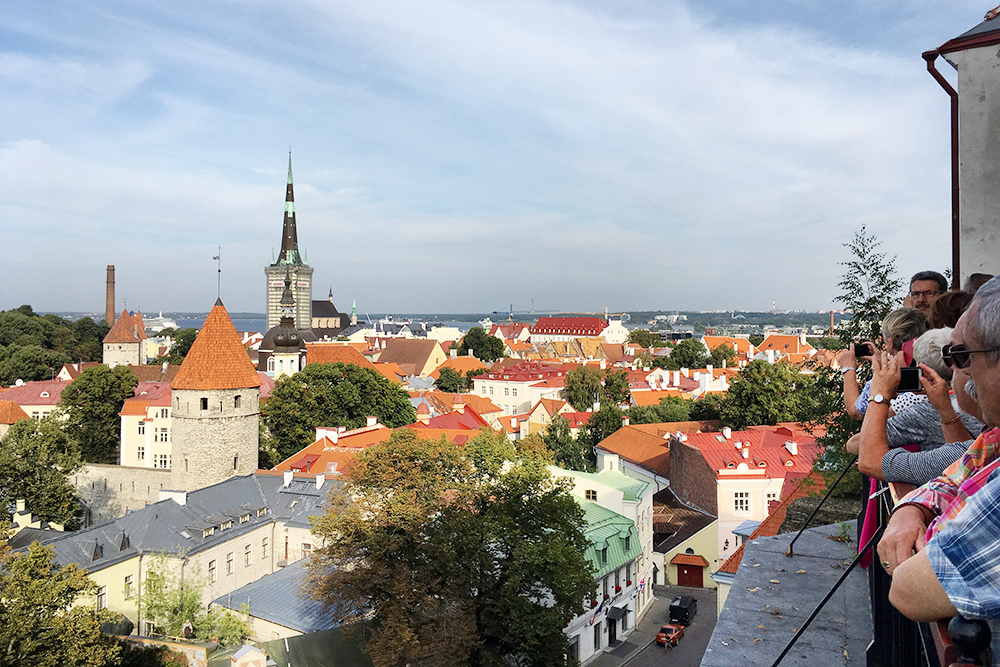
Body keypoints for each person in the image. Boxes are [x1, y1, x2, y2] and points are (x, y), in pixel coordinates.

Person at [881, 276, 1000, 657]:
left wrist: (882, 389)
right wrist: (910, 508)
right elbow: (954, 474)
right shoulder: (994, 438)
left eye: (962, 356)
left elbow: (909, 589)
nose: (957, 374)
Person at [846, 327, 984, 485]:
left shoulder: (926, 413)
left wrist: (880, 394)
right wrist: (944, 409)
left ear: (923, 371)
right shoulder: (985, 433)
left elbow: (866, 456)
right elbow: (966, 456)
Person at [839, 307, 928, 420]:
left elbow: (856, 412)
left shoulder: (889, 376)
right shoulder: (933, 367)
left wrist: (848, 369)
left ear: (890, 342)